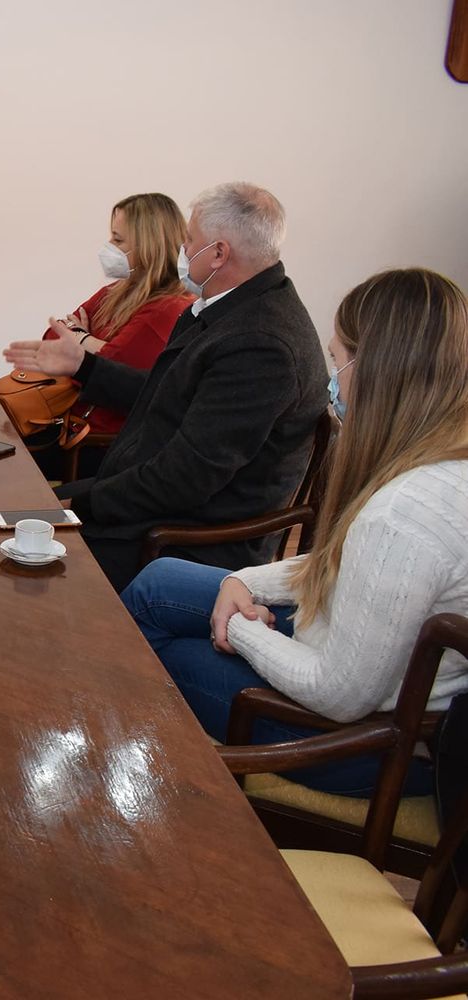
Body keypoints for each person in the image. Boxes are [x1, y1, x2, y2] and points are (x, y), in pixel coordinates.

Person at [121, 268, 468, 795]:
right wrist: (245, 585)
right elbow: (349, 563)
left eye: (337, 358)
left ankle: (158, 794)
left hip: (368, 743)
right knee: (160, 578)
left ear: (377, 370)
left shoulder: (404, 514)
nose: (331, 377)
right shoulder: (442, 462)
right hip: (372, 683)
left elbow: (338, 693)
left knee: (147, 654)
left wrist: (239, 628)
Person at [3, 182, 328, 591]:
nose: (182, 248)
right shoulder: (229, 308)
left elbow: (184, 480)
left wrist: (81, 503)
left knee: (18, 555)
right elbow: (163, 393)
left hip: (189, 540)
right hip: (154, 504)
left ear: (219, 253)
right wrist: (84, 366)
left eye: (189, 240)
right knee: (12, 510)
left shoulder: (261, 345)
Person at [26, 193, 194, 481]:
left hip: (100, 447)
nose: (109, 248)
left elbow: (107, 370)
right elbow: (53, 337)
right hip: (68, 424)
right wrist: (87, 342)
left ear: (148, 245)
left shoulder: (168, 308)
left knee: (1, 462)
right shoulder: (119, 290)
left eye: (118, 240)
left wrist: (80, 339)